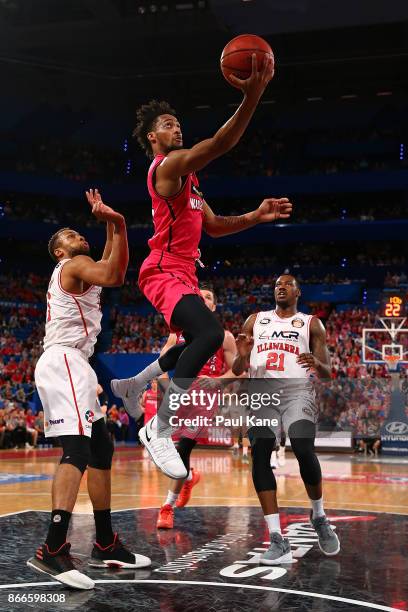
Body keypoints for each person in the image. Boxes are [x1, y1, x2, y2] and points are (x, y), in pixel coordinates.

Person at [112, 55, 292, 480]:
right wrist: (252, 96)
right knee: (211, 333)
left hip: (182, 272)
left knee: (195, 339)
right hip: (162, 269)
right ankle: (159, 428)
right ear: (153, 137)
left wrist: (254, 215)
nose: (177, 128)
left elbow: (212, 225)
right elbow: (219, 144)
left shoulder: (189, 182)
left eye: (178, 123)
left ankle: (136, 384)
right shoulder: (168, 166)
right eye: (169, 124)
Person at [28, 190, 151, 590]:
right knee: (77, 451)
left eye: (80, 233)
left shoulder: (85, 268)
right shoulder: (73, 263)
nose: (78, 236)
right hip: (63, 359)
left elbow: (112, 266)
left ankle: (104, 542)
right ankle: (52, 548)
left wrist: (113, 225)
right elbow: (115, 275)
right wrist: (115, 224)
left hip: (75, 362)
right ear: (60, 251)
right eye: (70, 234)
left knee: (101, 448)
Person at [232, 274, 340, 564]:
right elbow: (239, 367)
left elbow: (328, 371)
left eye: (287, 284)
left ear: (298, 292)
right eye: (277, 285)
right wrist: (242, 355)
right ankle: (277, 538)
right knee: (261, 454)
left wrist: (316, 363)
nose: (280, 287)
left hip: (297, 392)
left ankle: (318, 515)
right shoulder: (255, 320)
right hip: (261, 392)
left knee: (304, 449)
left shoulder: (310, 323)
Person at [155, 284, 237, 529]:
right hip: (179, 394)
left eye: (208, 297)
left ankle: (167, 506)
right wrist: (167, 388)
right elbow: (160, 364)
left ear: (213, 306)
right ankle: (189, 477)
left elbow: (237, 370)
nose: (203, 300)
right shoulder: (177, 335)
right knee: (164, 452)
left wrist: (218, 381)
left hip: (204, 397)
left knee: (183, 446)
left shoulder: (225, 336)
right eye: (198, 297)